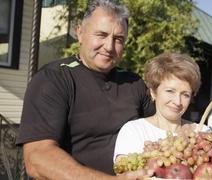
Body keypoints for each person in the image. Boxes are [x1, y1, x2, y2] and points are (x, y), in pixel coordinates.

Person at [16, 0, 154, 179]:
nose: (109, 46)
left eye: (118, 39)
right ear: (80, 32)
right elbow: (37, 159)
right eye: (101, 35)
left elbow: (163, 128)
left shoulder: (134, 83)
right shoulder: (54, 78)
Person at [114, 52, 211, 162]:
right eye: (170, 91)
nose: (177, 102)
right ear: (153, 93)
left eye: (185, 94)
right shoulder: (134, 131)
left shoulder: (202, 132)